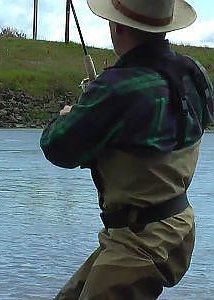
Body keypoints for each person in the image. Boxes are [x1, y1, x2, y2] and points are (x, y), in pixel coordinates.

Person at [40, 0, 214, 299]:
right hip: (176, 227)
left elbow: (58, 148)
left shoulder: (117, 88)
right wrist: (108, 117)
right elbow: (171, 132)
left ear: (117, 26)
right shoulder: (193, 72)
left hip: (141, 240)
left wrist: (75, 113)